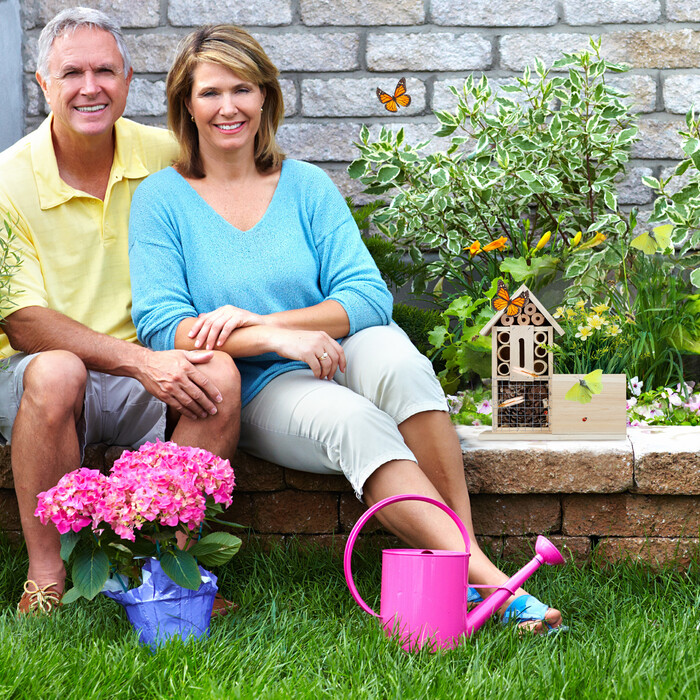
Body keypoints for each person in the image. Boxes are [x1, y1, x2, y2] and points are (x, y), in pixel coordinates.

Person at [128, 24, 564, 633]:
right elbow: (163, 326)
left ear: (265, 99)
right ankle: (493, 583)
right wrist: (274, 340)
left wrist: (271, 320)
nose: (229, 107)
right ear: (185, 105)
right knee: (354, 421)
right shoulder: (161, 200)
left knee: (399, 360)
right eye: (210, 93)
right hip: (256, 384)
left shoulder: (304, 185)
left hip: (330, 350)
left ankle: (459, 575)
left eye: (244, 89)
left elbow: (366, 297)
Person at [0, 8, 240, 615]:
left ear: (128, 81)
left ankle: (172, 574)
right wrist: (139, 361)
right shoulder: (6, 182)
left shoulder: (166, 157)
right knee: (57, 370)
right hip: (43, 381)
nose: (90, 87)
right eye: (71, 72)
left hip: (148, 373)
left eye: (105, 70)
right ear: (42, 84)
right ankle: (48, 578)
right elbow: (21, 320)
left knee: (218, 375)